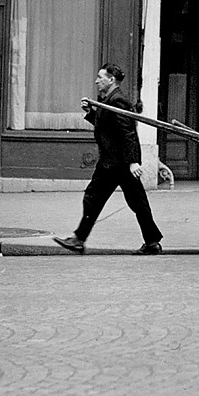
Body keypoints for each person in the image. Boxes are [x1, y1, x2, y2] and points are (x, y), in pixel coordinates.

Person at [54, 63, 164, 255]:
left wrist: (133, 162)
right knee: (133, 202)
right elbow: (107, 126)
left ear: (111, 80)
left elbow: (127, 133)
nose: (97, 81)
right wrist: (91, 113)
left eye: (100, 77)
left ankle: (79, 239)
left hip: (116, 163)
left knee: (96, 199)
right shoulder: (110, 99)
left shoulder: (117, 100)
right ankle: (152, 242)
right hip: (115, 162)